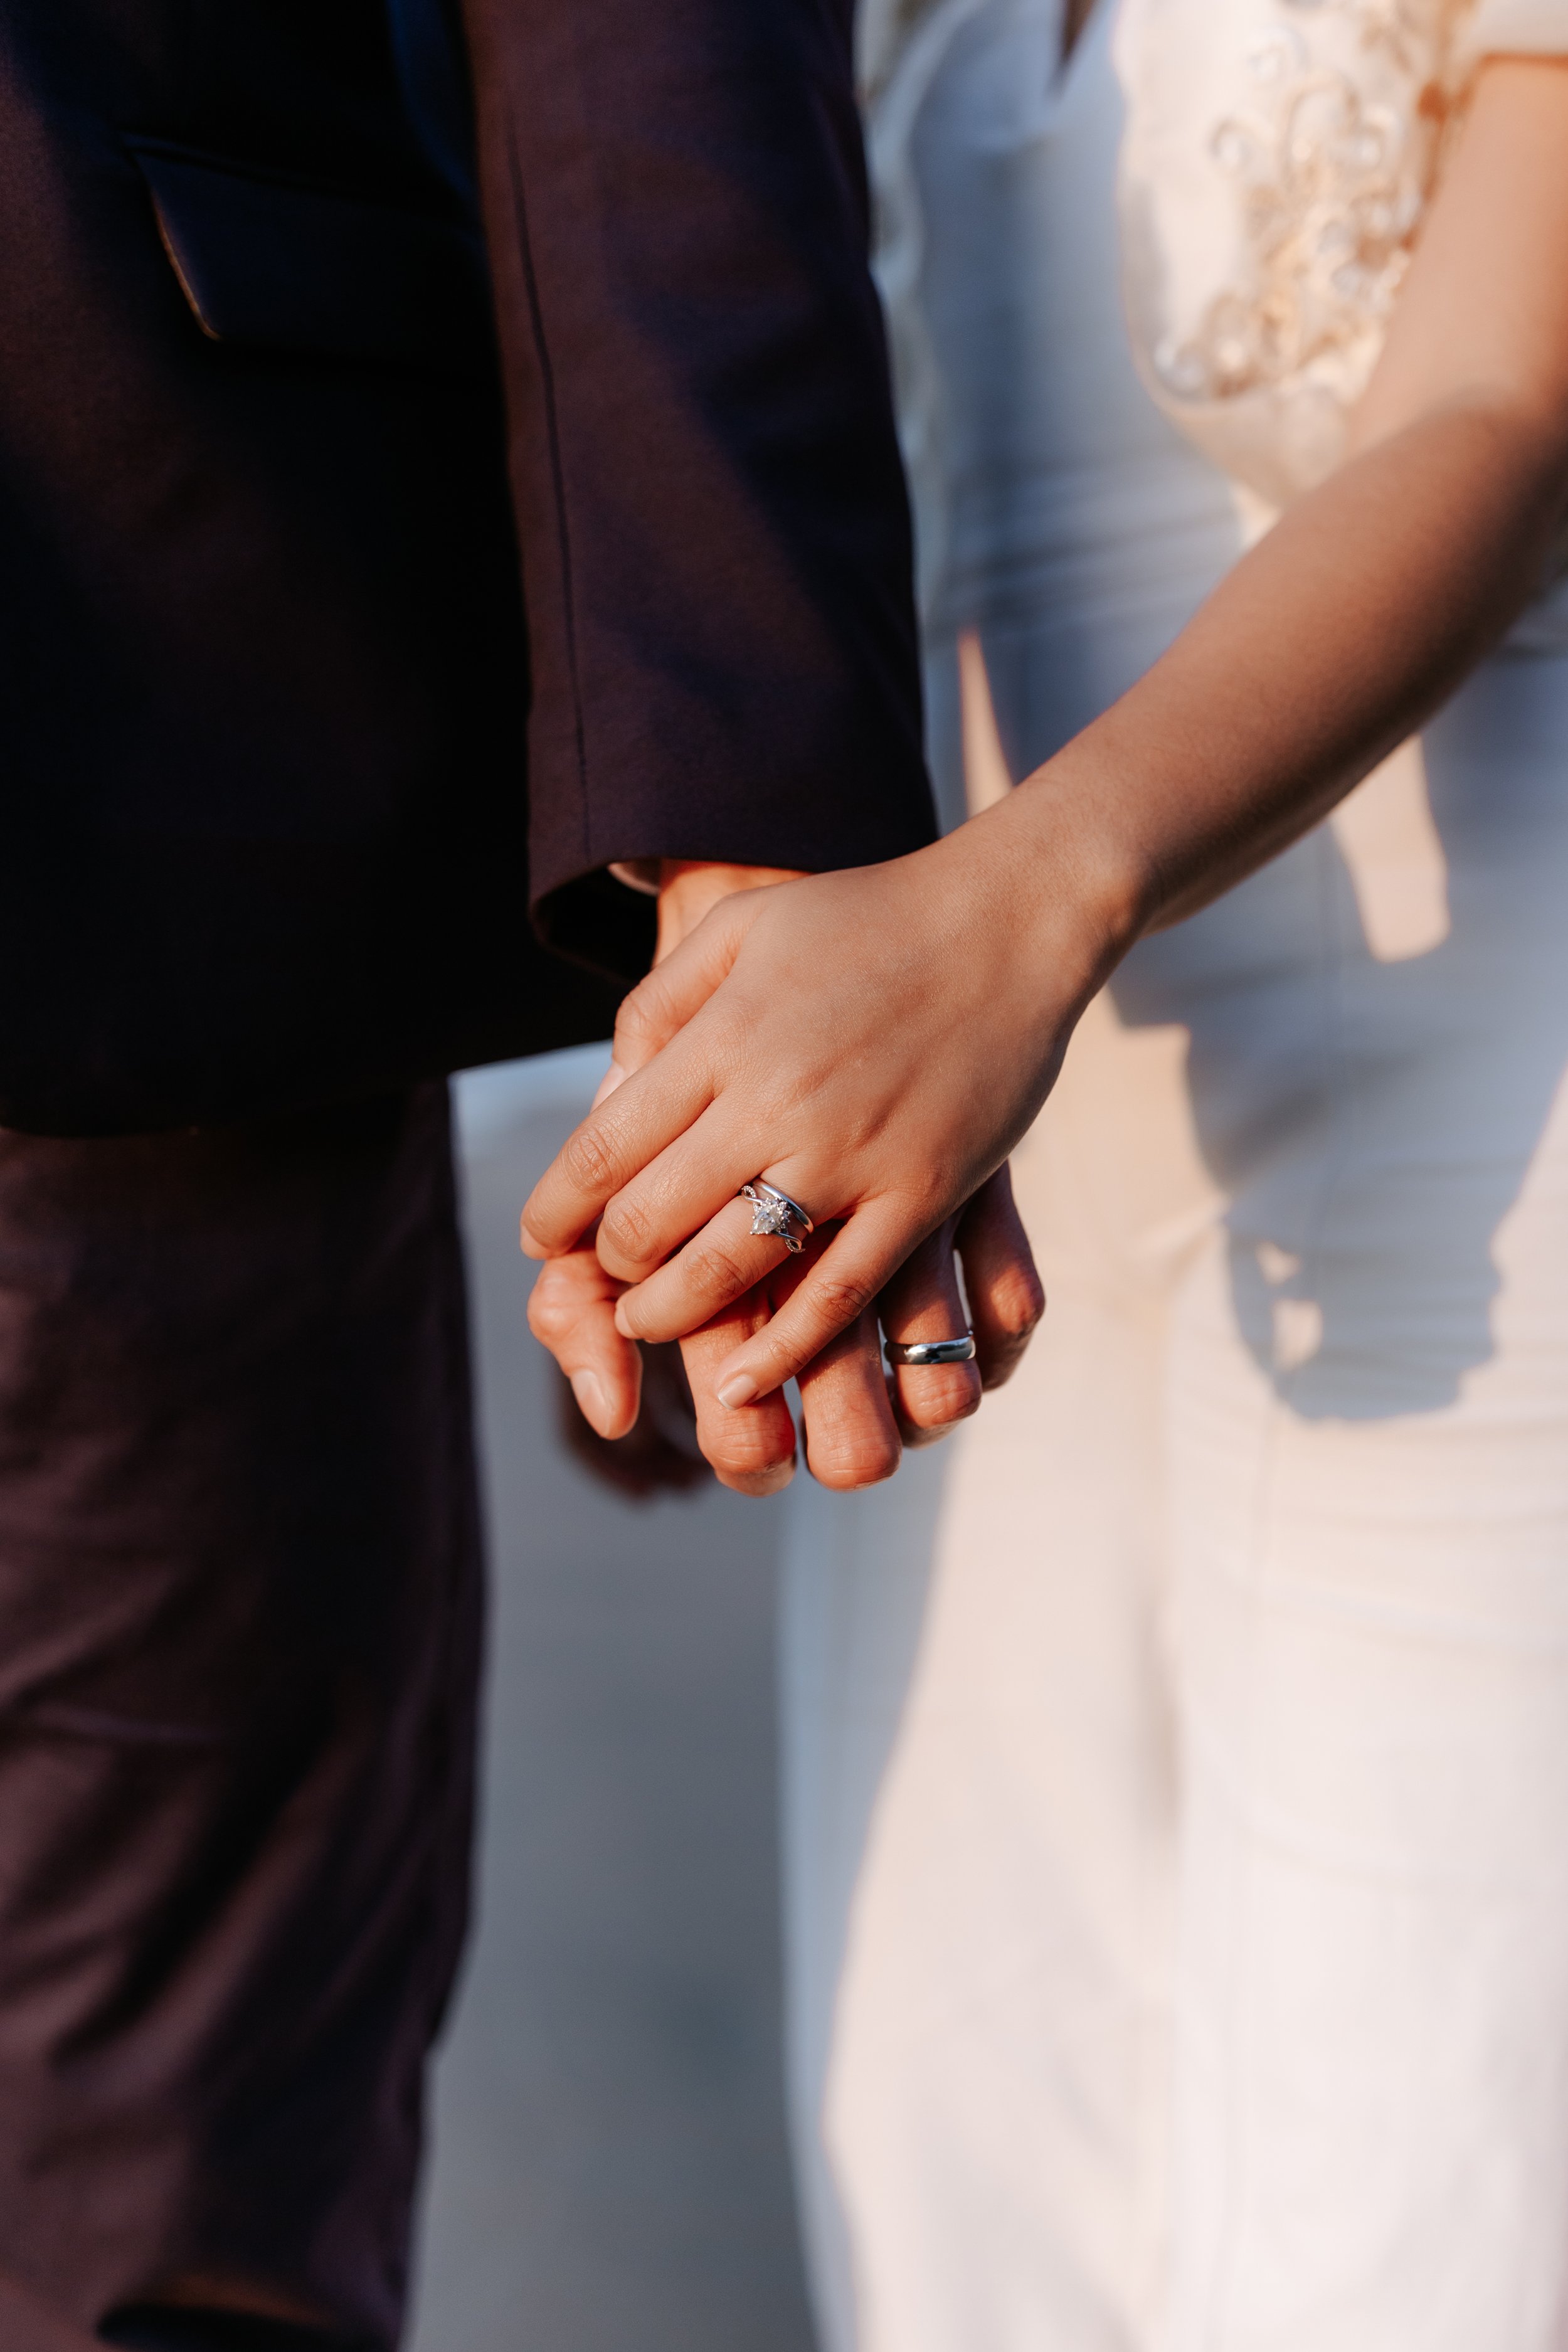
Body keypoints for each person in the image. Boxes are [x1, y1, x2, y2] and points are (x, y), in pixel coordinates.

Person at [0, 3, 1051, 2346]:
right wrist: (755, 913)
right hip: (129, 775)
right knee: (135, 2204)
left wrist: (758, 1003)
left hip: (108, 874)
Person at [524, 1, 1568, 2342]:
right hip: (981, 1170)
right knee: (961, 2155)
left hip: (1470, 1125)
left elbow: (1502, 403)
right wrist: (720, 1148)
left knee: (1401, 2194)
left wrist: (1024, 910)